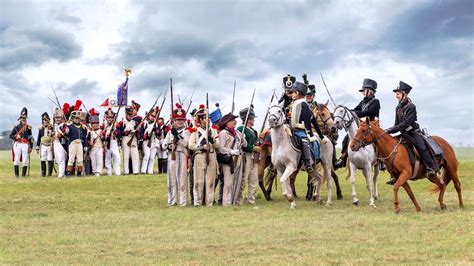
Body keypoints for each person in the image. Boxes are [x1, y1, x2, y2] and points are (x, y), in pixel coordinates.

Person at [385, 81, 441, 185]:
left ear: (404, 94)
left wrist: (389, 130)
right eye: (396, 94)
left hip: (413, 132)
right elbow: (397, 123)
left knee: (422, 147)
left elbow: (406, 123)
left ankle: (430, 169)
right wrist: (389, 130)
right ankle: (394, 175)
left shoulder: (411, 106)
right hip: (404, 134)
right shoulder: (398, 107)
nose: (396, 96)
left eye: (398, 94)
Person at [335, 78, 380, 169]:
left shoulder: (376, 101)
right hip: (362, 125)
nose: (363, 93)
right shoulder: (363, 102)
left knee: (379, 140)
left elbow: (371, 112)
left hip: (373, 124)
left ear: (369, 91)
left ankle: (381, 160)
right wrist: (347, 111)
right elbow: (355, 110)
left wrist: (357, 113)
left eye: (364, 91)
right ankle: (343, 158)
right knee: (347, 138)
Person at [288, 81, 325, 172]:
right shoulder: (293, 104)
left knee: (304, 140)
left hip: (301, 131)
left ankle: (307, 162)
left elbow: (312, 121)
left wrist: (320, 136)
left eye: (293, 92)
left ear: (297, 93)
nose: (291, 94)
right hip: (291, 129)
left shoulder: (304, 105)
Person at [188, 104, 220, 206]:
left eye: (209, 118)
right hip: (200, 155)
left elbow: (217, 145)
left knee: (210, 180)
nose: (208, 120)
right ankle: (198, 202)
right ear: (201, 120)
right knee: (199, 181)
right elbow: (191, 145)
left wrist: (212, 141)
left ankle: (209, 202)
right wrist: (201, 147)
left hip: (211, 155)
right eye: (206, 118)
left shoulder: (213, 130)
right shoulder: (195, 130)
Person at [163, 104, 191, 207]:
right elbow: (163, 144)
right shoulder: (170, 132)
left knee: (182, 180)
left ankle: (183, 202)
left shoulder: (187, 131)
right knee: (171, 180)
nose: (180, 121)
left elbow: (186, 143)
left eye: (182, 120)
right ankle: (172, 201)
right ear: (174, 121)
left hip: (182, 155)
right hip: (172, 156)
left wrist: (177, 136)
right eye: (177, 119)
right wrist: (169, 146)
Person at [218, 113, 247, 206]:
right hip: (229, 159)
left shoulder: (238, 133)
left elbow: (245, 145)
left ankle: (234, 201)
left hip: (239, 158)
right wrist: (231, 151)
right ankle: (226, 202)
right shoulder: (223, 133)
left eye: (234, 120)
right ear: (226, 123)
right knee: (228, 182)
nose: (234, 122)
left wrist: (243, 139)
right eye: (231, 120)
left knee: (238, 181)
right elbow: (221, 148)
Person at [236, 106, 259, 205]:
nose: (253, 120)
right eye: (252, 118)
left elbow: (256, 142)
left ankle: (251, 199)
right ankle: (239, 199)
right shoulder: (241, 129)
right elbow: (242, 144)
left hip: (254, 157)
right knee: (244, 179)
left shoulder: (254, 131)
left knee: (254, 180)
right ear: (248, 119)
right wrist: (253, 148)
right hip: (246, 156)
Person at [10, 107, 33, 177]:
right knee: (16, 159)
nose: (23, 118)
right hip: (17, 144)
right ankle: (17, 175)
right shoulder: (16, 127)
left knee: (25, 160)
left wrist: (31, 147)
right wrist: (16, 137)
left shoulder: (29, 128)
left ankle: (23, 175)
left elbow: (30, 138)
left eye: (24, 117)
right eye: (22, 117)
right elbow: (11, 136)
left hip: (25, 145)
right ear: (20, 117)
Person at [63, 110, 88, 177]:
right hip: (72, 143)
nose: (77, 119)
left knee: (80, 159)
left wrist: (85, 145)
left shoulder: (82, 127)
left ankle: (79, 173)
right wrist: (66, 129)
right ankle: (68, 172)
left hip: (79, 143)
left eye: (78, 118)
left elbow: (84, 137)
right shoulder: (70, 126)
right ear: (73, 118)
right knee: (71, 158)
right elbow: (66, 134)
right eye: (75, 118)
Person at [117, 105, 141, 174]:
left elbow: (139, 133)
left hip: (133, 139)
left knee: (135, 156)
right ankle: (126, 171)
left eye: (131, 114)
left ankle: (135, 171)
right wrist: (125, 133)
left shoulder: (135, 123)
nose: (130, 116)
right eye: (128, 114)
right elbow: (118, 133)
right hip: (125, 139)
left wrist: (137, 132)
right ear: (125, 113)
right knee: (126, 156)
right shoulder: (122, 123)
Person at [140, 107, 160, 174]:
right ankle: (143, 171)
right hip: (146, 142)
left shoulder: (156, 124)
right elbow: (140, 133)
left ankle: (150, 171)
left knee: (152, 158)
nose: (153, 118)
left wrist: (156, 130)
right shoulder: (145, 123)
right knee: (147, 156)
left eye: (154, 116)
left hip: (153, 142)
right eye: (152, 116)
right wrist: (145, 136)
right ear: (149, 115)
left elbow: (159, 133)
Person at [102, 108, 121, 176]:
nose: (109, 119)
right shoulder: (104, 126)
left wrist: (115, 132)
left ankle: (117, 172)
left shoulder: (116, 124)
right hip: (107, 143)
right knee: (107, 159)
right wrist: (105, 137)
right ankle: (109, 172)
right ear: (106, 118)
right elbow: (102, 134)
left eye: (111, 118)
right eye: (108, 118)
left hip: (114, 142)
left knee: (117, 157)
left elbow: (119, 132)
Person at [36, 112, 54, 177]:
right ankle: (43, 173)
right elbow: (38, 138)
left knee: (50, 159)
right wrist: (37, 147)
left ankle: (49, 173)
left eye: (46, 120)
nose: (45, 121)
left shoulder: (52, 127)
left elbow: (53, 136)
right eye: (44, 120)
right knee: (43, 159)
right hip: (43, 145)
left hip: (50, 145)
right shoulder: (41, 129)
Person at [53, 106, 68, 177]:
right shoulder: (55, 126)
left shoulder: (64, 125)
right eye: (56, 118)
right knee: (58, 159)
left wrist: (61, 134)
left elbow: (67, 134)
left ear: (62, 118)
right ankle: (61, 173)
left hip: (62, 143)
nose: (57, 119)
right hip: (55, 143)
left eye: (59, 117)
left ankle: (61, 174)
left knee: (62, 159)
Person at [88, 109, 103, 177]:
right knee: (93, 160)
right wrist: (90, 143)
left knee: (99, 159)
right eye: (93, 124)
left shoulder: (101, 131)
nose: (95, 125)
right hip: (93, 148)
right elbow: (87, 140)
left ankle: (98, 171)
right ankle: (94, 171)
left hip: (99, 147)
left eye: (96, 123)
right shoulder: (90, 132)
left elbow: (104, 139)